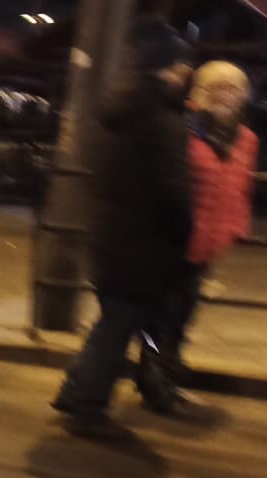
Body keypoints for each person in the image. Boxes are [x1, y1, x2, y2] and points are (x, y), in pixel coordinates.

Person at [50, 17, 196, 440]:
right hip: (143, 245)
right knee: (116, 328)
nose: (186, 72)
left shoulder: (116, 107)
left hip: (108, 236)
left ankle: (76, 391)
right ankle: (87, 409)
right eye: (181, 64)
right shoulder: (163, 120)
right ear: (168, 67)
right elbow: (173, 191)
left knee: (113, 322)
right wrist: (182, 235)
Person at [142, 61, 258, 403]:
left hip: (209, 242)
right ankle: (154, 381)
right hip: (172, 238)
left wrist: (238, 227)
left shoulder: (247, 139)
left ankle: (165, 374)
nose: (225, 95)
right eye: (216, 87)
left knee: (183, 315)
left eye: (233, 89)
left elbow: (241, 187)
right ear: (199, 91)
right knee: (161, 316)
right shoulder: (184, 129)